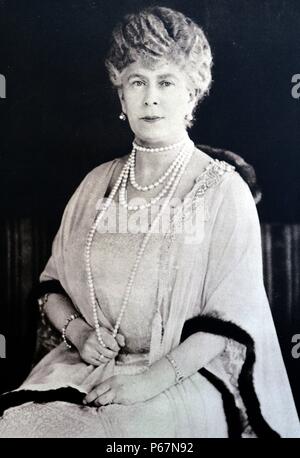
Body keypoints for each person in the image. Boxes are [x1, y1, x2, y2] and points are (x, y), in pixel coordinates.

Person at [0, 6, 299, 438]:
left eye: (166, 81)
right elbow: (51, 288)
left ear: (193, 92)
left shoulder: (222, 190)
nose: (150, 97)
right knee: (19, 426)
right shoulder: (96, 185)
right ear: (121, 95)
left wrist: (148, 381)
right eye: (137, 81)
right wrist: (81, 334)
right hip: (85, 367)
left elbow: (232, 316)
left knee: (130, 433)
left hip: (183, 377)